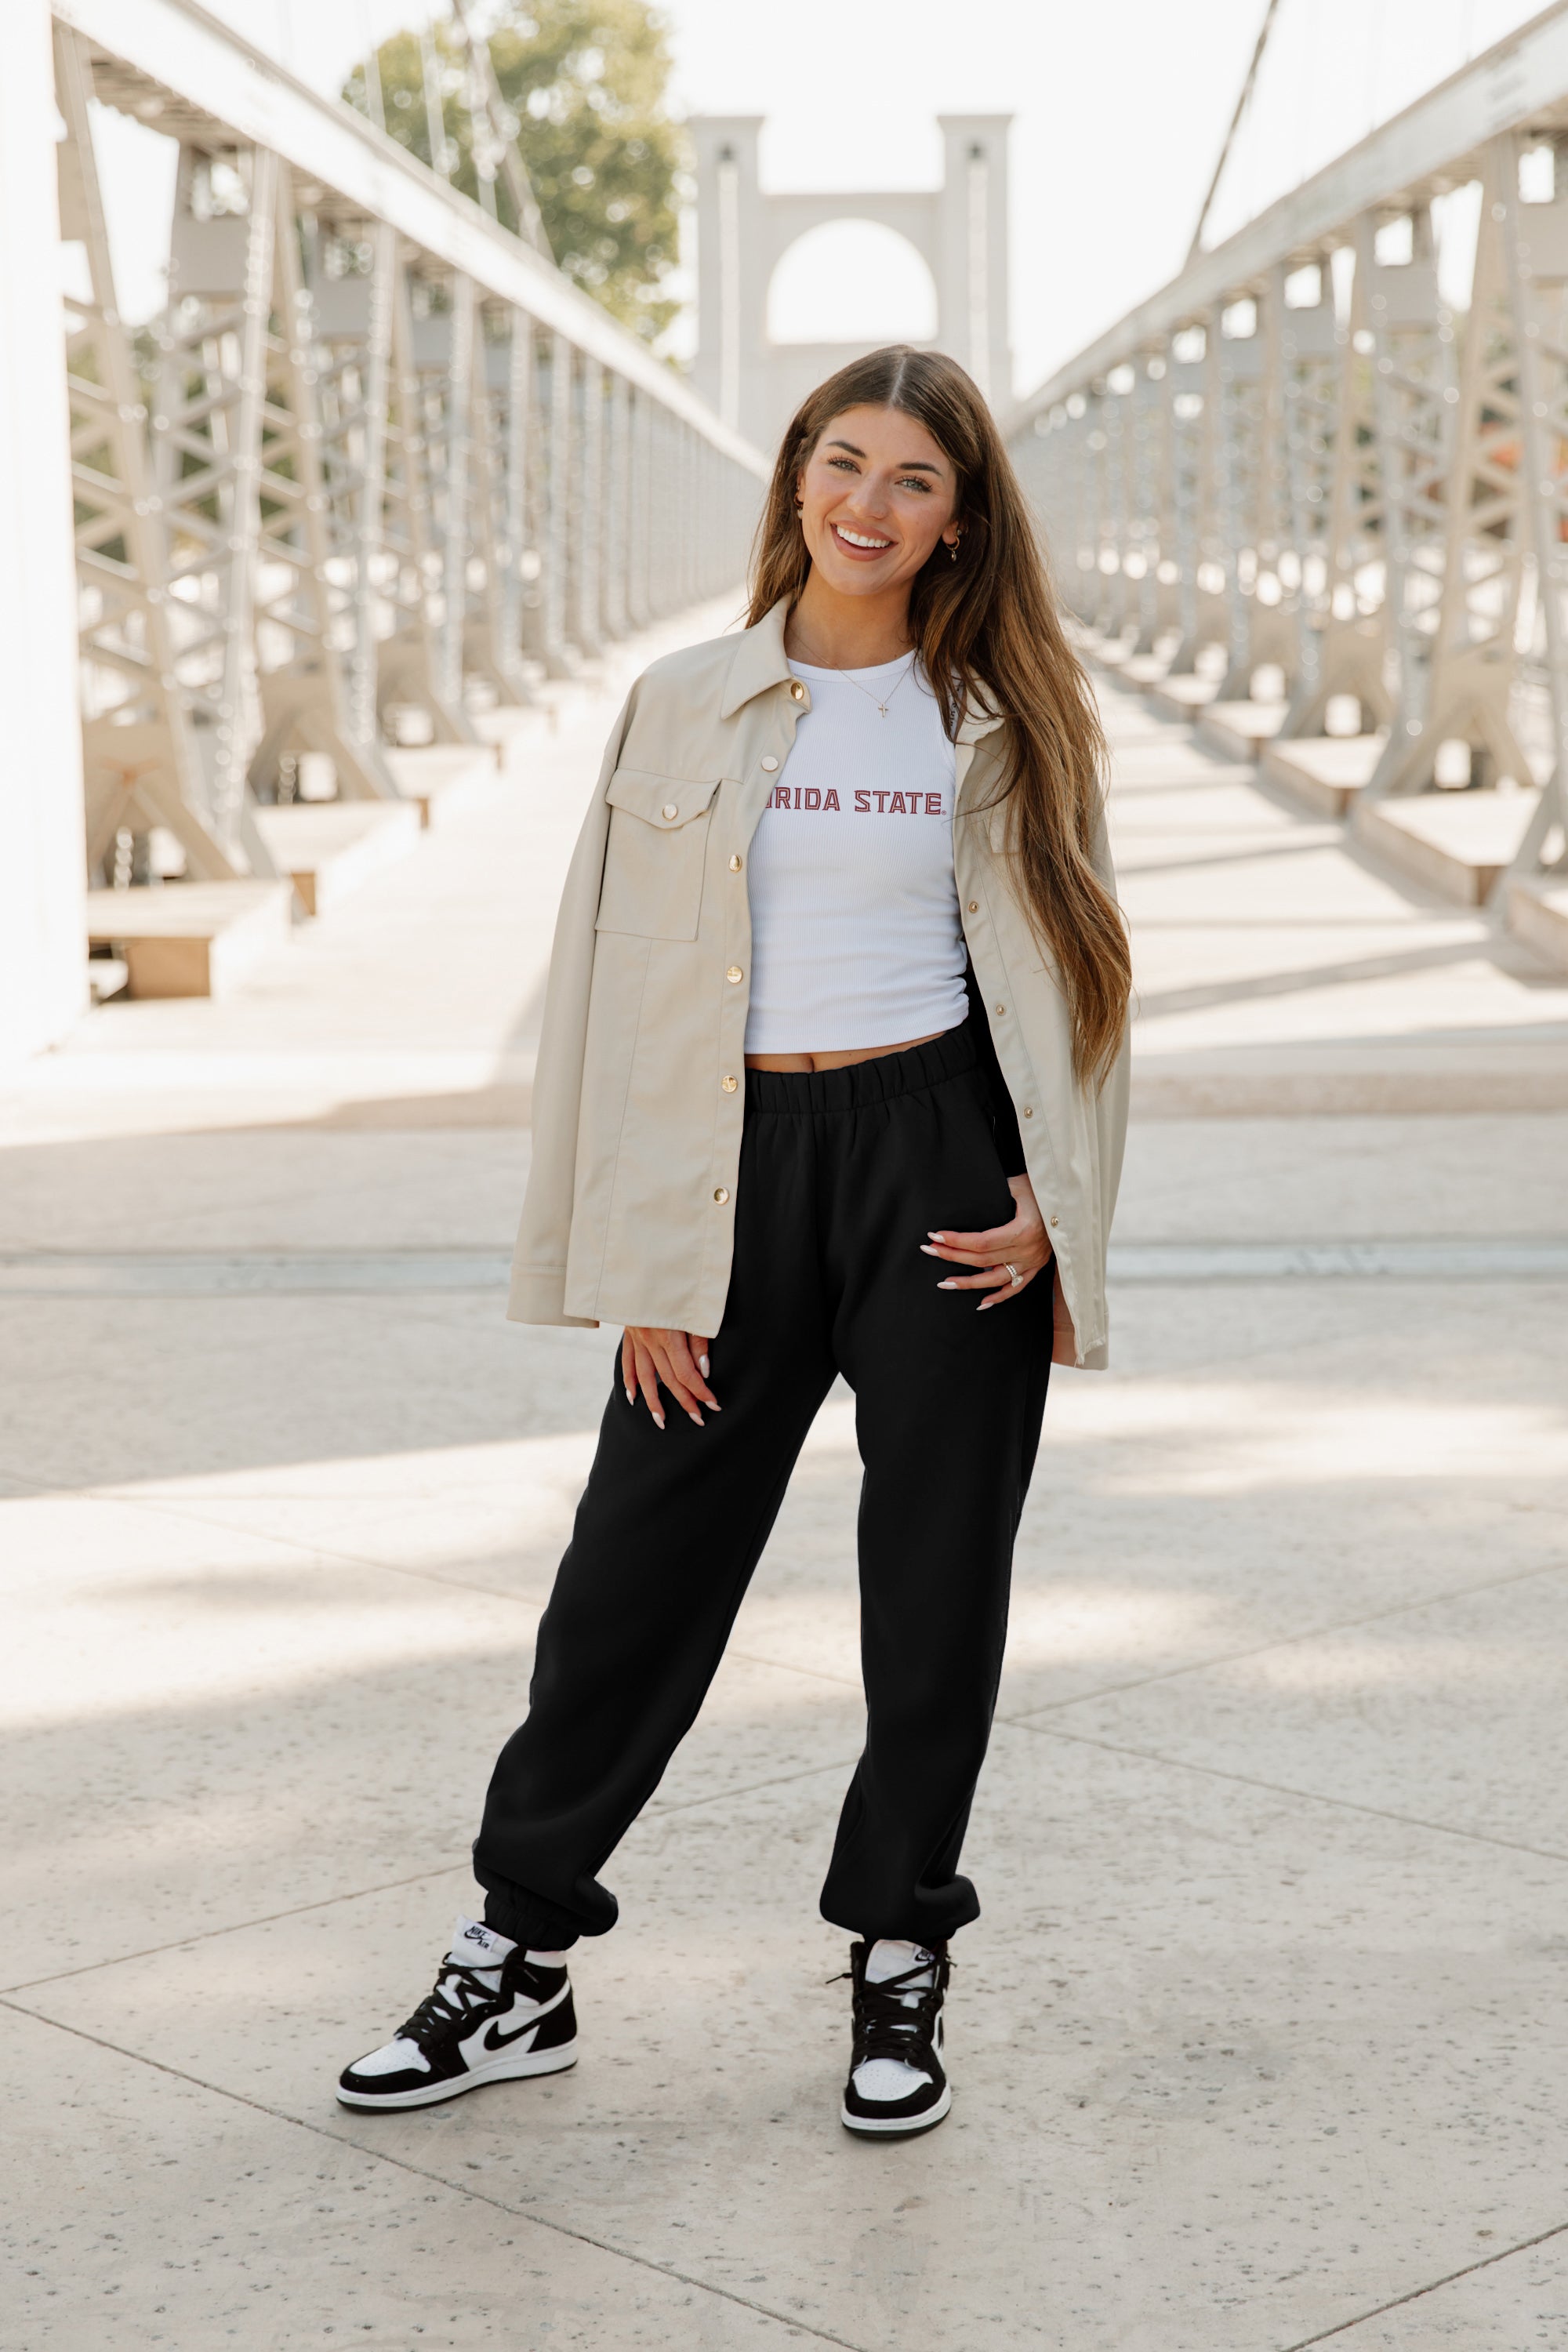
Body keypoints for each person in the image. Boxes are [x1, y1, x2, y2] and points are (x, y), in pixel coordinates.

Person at [337, 345, 1131, 2140]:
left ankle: (898, 1959)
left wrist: (1049, 1207)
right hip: (730, 1167)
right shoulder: (683, 698)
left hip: (938, 1165)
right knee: (630, 1576)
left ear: (958, 518)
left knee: (934, 1597)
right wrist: (638, 1262)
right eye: (841, 463)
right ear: (792, 480)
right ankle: (517, 1954)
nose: (867, 502)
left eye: (913, 479)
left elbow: (1085, 972)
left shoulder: (1004, 712)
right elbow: (611, 993)